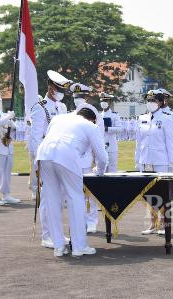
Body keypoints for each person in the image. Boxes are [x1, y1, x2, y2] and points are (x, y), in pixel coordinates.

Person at [36, 107, 108, 257]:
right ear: (92, 119)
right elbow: (102, 157)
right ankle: (79, 246)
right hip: (66, 153)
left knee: (51, 199)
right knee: (76, 198)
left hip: (44, 153)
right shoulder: (91, 126)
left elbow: (49, 137)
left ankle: (58, 246)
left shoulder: (59, 118)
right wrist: (99, 172)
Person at [31, 70, 72, 247]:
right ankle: (47, 236)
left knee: (60, 199)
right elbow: (35, 138)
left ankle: (58, 234)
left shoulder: (62, 108)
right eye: (59, 89)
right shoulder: (39, 107)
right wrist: (38, 162)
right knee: (48, 199)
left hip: (62, 159)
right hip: (47, 160)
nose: (61, 93)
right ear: (50, 87)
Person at [135, 90, 173, 235]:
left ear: (160, 102)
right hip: (145, 160)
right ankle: (153, 224)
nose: (150, 103)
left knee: (164, 193)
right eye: (148, 100)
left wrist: (172, 162)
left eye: (154, 100)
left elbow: (170, 142)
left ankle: (165, 224)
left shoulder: (166, 118)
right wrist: (137, 160)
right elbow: (138, 141)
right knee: (149, 193)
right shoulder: (142, 118)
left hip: (161, 160)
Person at [71, 82, 104, 233]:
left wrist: (97, 161)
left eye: (81, 96)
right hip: (71, 159)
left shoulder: (93, 112)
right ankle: (80, 220)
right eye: (75, 97)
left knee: (89, 193)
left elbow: (98, 138)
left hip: (85, 159)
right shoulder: (70, 115)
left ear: (86, 96)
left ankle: (92, 221)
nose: (77, 99)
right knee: (74, 193)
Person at [100, 92, 122, 173]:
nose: (103, 102)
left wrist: (108, 129)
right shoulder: (98, 115)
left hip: (111, 145)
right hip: (101, 145)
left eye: (105, 100)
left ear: (109, 102)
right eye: (102, 100)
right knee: (101, 167)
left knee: (112, 167)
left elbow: (120, 129)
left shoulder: (115, 115)